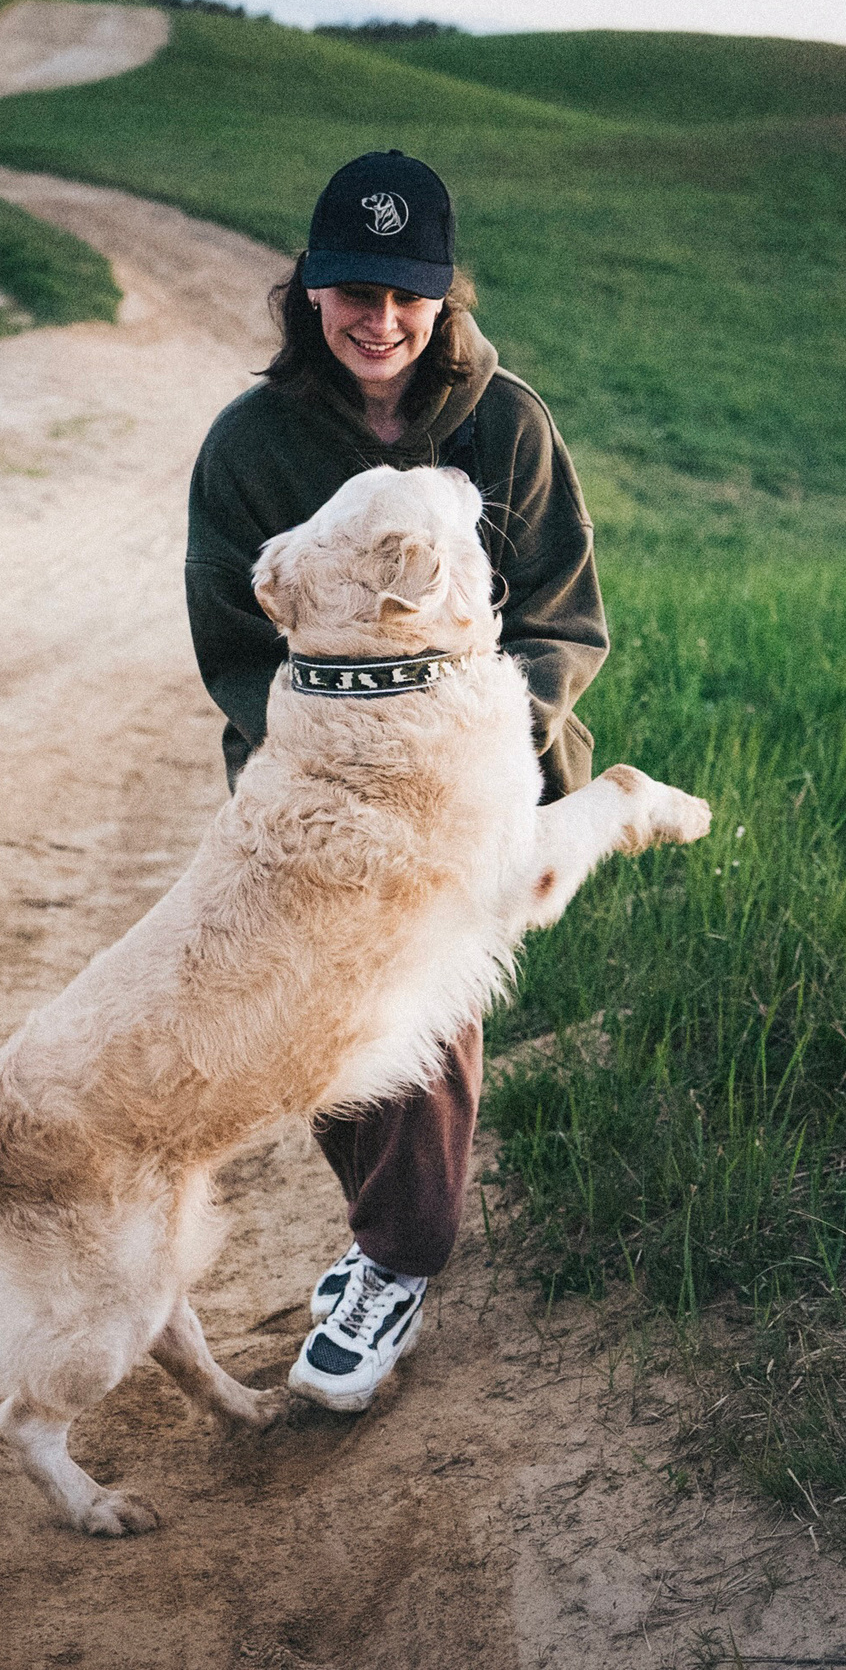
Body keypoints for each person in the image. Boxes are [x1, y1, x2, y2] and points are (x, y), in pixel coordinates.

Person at [184, 150, 609, 1412]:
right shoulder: (251, 446)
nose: (381, 321)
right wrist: (331, 763)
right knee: (314, 1023)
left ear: (443, 296)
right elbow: (233, 644)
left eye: (407, 294)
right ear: (309, 289)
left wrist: (476, 748)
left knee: (415, 1007)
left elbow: (561, 622)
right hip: (306, 785)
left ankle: (396, 1261)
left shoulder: (506, 426)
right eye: (353, 290)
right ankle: (378, 1226)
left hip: (474, 778)